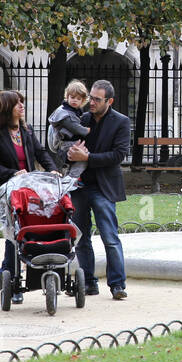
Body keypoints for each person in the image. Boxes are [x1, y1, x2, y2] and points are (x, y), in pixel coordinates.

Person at [0, 89, 58, 303]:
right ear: (7, 108)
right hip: (4, 190)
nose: (22, 106)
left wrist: (52, 169)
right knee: (12, 235)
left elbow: (41, 152)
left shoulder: (26, 130)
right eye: (18, 103)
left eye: (22, 102)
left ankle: (5, 273)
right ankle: (14, 282)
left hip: (25, 189)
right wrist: (13, 173)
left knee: (23, 233)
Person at [66, 79, 130, 300]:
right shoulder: (81, 118)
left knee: (110, 237)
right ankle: (90, 283)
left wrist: (88, 157)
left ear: (109, 101)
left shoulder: (121, 122)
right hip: (79, 186)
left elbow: (118, 155)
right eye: (90, 97)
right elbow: (67, 147)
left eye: (96, 99)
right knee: (81, 238)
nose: (90, 102)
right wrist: (70, 153)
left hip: (103, 188)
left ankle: (117, 285)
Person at [47, 79, 91, 180]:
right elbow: (75, 128)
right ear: (67, 97)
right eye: (72, 97)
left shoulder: (74, 111)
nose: (75, 100)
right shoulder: (65, 113)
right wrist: (87, 130)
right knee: (84, 158)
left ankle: (70, 178)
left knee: (76, 160)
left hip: (71, 142)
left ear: (83, 100)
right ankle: (72, 179)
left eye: (78, 98)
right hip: (67, 144)